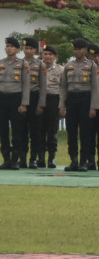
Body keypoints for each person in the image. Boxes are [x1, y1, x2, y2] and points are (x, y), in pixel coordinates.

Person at [60, 37, 99, 172]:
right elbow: (63, 87)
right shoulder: (68, 66)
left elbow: (95, 88)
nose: (77, 52)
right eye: (75, 49)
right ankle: (73, 161)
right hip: (71, 99)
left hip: (85, 99)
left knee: (85, 132)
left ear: (85, 50)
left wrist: (93, 106)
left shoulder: (91, 65)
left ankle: (84, 161)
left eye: (80, 49)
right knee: (71, 131)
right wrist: (62, 105)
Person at [0, 37, 30, 169]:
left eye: (11, 46)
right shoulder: (1, 63)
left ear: (17, 49)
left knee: (17, 131)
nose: (8, 48)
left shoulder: (23, 64)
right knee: (3, 131)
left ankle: (15, 160)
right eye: (7, 46)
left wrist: (24, 103)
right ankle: (6, 159)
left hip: (16, 99)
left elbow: (26, 85)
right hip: (2, 99)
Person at [15, 38, 43, 168]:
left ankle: (33, 159)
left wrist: (40, 104)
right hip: (20, 98)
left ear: (35, 50)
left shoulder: (40, 65)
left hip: (34, 97)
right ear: (23, 49)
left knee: (35, 131)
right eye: (26, 48)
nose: (28, 51)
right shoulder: (18, 63)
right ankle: (22, 158)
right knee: (21, 130)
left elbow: (43, 86)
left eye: (31, 48)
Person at [35, 45, 63, 168]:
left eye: (50, 54)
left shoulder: (61, 70)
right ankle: (40, 158)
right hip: (39, 101)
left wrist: (62, 106)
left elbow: (63, 89)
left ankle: (51, 158)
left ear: (55, 57)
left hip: (54, 100)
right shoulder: (36, 68)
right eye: (45, 54)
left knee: (52, 131)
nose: (47, 56)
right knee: (39, 130)